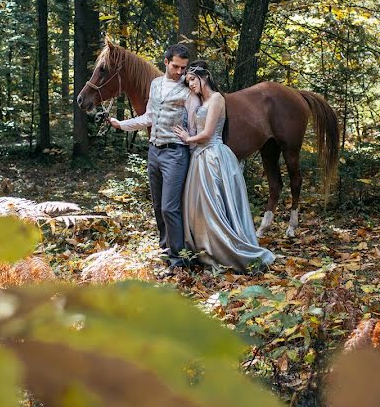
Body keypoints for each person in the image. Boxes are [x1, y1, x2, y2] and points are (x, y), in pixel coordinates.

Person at [172, 61, 275, 273]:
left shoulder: (217, 98)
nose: (190, 84)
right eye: (188, 81)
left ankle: (227, 250)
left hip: (214, 157)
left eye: (193, 79)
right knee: (201, 208)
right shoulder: (200, 100)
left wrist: (187, 138)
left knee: (216, 206)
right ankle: (205, 251)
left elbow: (208, 133)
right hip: (200, 158)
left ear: (205, 77)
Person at [108, 44, 201, 271]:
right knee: (159, 205)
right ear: (166, 61)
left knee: (170, 207)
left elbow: (197, 120)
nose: (180, 72)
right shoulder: (156, 84)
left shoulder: (188, 91)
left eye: (183, 68)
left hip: (175, 154)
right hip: (154, 151)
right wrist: (122, 125)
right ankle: (166, 251)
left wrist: (191, 138)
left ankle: (179, 259)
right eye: (176, 66)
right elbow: (149, 116)